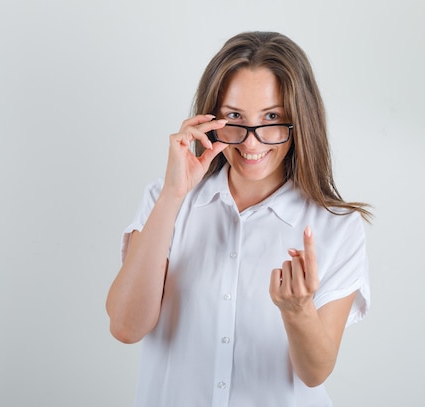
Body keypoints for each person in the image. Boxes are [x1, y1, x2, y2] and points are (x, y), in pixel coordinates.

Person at [106, 31, 372, 407]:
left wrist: (298, 312)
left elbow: (315, 373)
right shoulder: (163, 199)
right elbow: (125, 327)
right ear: (210, 118)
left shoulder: (336, 226)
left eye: (272, 118)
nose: (251, 142)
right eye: (234, 117)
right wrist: (172, 196)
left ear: (300, 122)